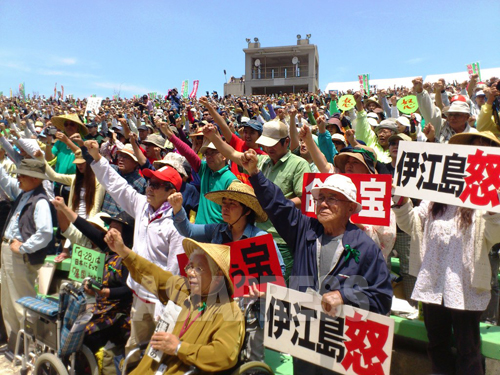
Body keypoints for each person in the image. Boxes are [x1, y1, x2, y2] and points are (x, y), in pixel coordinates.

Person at [242, 149, 392, 374]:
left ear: (351, 208)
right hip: (305, 337)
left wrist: (345, 296)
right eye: (320, 198)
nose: (323, 204)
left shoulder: (365, 247)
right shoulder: (305, 231)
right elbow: (278, 206)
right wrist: (255, 174)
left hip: (341, 345)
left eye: (332, 198)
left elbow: (382, 299)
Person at [393, 131, 500, 375]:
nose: (477, 154)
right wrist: (400, 200)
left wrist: (494, 206)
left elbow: (495, 235)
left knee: (468, 349)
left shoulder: (487, 199)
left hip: (465, 288)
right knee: (437, 345)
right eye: (473, 148)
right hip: (433, 284)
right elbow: (412, 225)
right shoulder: (435, 197)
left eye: (485, 150)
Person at [84, 139, 186, 357]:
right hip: (139, 295)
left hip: (160, 302)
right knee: (134, 348)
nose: (150, 187)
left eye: (157, 185)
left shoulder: (176, 224)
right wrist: (97, 159)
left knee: (157, 355)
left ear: (171, 192)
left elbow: (174, 270)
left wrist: (163, 309)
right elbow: (117, 186)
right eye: (150, 182)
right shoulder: (142, 205)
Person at [104, 232, 244, 375]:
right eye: (190, 266)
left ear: (218, 277)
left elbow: (224, 355)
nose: (190, 273)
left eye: (199, 269)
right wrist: (123, 251)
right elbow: (153, 274)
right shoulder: (185, 290)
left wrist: (179, 347)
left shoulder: (229, 310)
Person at [203, 121, 311, 284]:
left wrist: (276, 205)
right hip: (254, 237)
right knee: (249, 290)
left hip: (281, 239)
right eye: (266, 145)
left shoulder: (298, 164)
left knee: (277, 289)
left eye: (273, 145)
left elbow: (304, 199)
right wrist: (214, 137)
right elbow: (232, 153)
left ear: (287, 142)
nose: (269, 149)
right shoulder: (261, 162)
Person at [51, 196, 134, 353]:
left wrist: (104, 292)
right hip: (100, 307)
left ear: (126, 236)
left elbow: (128, 289)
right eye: (109, 229)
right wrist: (63, 207)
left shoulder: (129, 258)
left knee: (85, 334)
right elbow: (84, 227)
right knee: (71, 327)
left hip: (118, 313)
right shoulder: (108, 246)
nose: (109, 233)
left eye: (114, 231)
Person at [0, 159, 55, 348]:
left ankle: (30, 346)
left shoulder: (40, 201)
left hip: (19, 256)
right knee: (8, 300)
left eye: (22, 175)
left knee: (21, 301)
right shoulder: (25, 194)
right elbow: (4, 180)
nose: (18, 178)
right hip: (9, 251)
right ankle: (15, 343)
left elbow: (46, 232)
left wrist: (23, 247)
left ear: (34, 178)